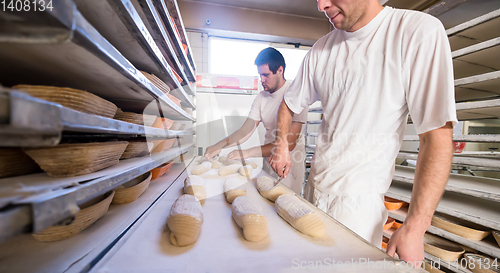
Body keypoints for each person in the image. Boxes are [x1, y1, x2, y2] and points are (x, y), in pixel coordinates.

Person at [268, 0, 457, 266]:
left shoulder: (413, 32)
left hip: (358, 210)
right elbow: (289, 104)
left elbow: (435, 135)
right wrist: (281, 146)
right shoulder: (321, 50)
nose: (321, 5)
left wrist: (415, 227)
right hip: (312, 195)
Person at [204, 47, 309, 194]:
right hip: (267, 163)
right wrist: (219, 145)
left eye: (266, 75)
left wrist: (247, 152)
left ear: (280, 70)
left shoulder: (295, 95)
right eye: (260, 75)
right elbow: (245, 130)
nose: (262, 80)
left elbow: (289, 143)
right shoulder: (262, 97)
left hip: (288, 170)